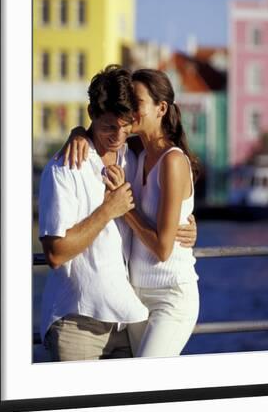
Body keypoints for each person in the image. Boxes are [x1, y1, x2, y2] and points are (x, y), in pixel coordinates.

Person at [39, 65, 196, 361]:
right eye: (110, 126)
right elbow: (56, 254)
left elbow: (164, 224)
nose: (118, 135)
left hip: (128, 316)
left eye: (126, 124)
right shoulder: (65, 167)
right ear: (91, 114)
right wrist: (110, 209)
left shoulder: (130, 157)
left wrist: (183, 223)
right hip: (79, 322)